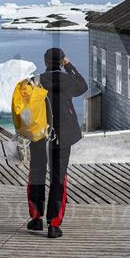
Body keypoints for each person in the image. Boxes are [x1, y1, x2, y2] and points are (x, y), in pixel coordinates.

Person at [26, 47, 88, 238]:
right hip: (62, 136)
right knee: (58, 178)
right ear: (61, 62)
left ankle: (36, 219)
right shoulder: (68, 80)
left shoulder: (35, 81)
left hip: (39, 135)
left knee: (36, 175)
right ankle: (53, 225)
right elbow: (83, 86)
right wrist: (69, 66)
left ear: (45, 62)